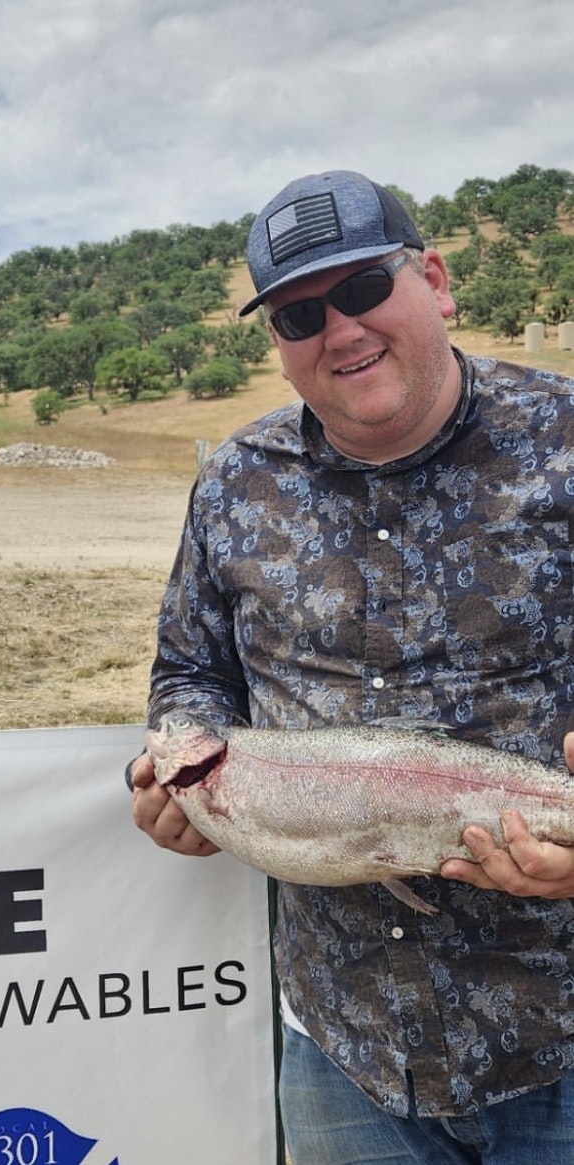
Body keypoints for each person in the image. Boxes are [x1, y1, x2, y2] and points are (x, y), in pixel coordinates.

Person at [128, 169, 574, 1164]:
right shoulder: (235, 484)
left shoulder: (566, 442)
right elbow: (189, 669)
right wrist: (173, 763)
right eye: (297, 313)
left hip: (559, 1034)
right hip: (345, 1054)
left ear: (435, 279)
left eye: (364, 289)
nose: (340, 330)